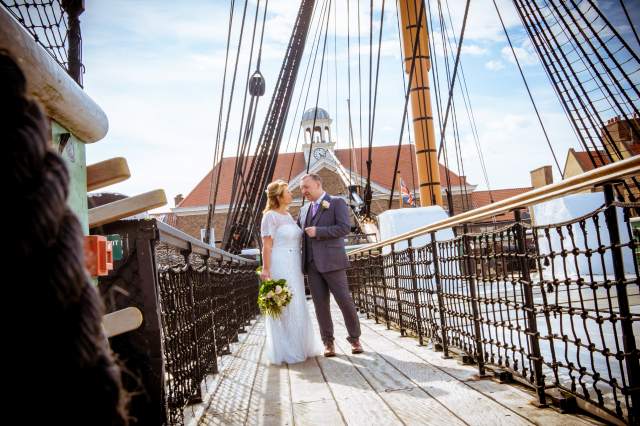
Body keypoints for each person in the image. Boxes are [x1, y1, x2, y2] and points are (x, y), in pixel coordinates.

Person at [296, 174, 363, 357]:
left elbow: (344, 228)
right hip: (311, 265)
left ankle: (355, 339)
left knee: (344, 300)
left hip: (333, 262)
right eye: (302, 188)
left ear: (318, 185)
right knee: (320, 305)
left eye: (306, 187)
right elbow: (296, 233)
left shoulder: (336, 202)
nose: (304, 191)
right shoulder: (303, 210)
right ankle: (328, 343)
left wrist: (320, 231)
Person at [260, 180, 324, 365]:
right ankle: (287, 348)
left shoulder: (288, 215)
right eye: (288, 192)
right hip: (280, 263)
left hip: (295, 265)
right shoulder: (270, 217)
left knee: (297, 303)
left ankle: (300, 345)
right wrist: (266, 269)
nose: (291, 194)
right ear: (279, 196)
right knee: (285, 304)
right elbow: (267, 244)